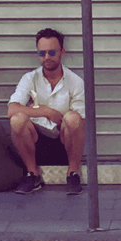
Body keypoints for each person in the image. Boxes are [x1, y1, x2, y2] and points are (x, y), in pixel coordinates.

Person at [7, 28, 86, 194]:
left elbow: (80, 122)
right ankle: (32, 174)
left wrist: (63, 119)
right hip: (35, 142)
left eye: (52, 52)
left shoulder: (75, 81)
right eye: (42, 53)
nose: (47, 57)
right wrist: (46, 112)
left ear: (62, 52)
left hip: (65, 142)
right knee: (17, 119)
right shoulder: (30, 78)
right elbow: (12, 109)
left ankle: (73, 173)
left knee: (73, 118)